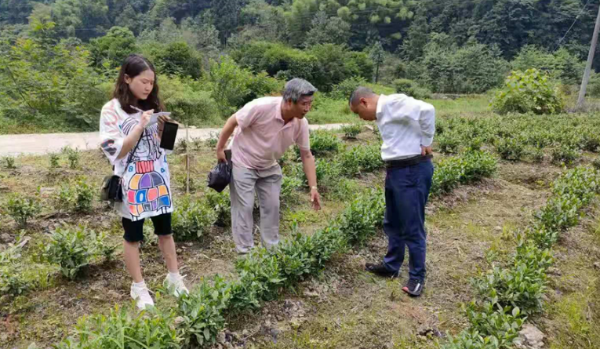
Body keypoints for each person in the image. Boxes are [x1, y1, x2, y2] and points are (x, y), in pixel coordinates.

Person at [99, 54, 188, 309]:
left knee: (166, 231)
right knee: (133, 236)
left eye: (152, 82)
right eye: (143, 81)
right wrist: (139, 126)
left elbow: (165, 149)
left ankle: (174, 278)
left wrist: (165, 130)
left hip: (158, 180)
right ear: (127, 79)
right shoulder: (112, 110)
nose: (148, 87)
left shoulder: (153, 105)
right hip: (131, 183)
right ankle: (138, 286)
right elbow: (115, 150)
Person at [215, 78, 322, 254]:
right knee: (244, 207)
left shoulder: (300, 123)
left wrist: (313, 187)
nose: (307, 108)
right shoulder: (260, 107)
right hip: (243, 161)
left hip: (269, 166)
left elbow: (306, 155)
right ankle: (245, 253)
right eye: (304, 104)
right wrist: (219, 148)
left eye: (310, 103)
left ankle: (271, 249)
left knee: (272, 206)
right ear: (289, 101)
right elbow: (232, 121)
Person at [349, 87, 435, 297]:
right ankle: (391, 266)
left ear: (364, 102)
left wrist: (426, 141)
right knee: (393, 222)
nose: (362, 119)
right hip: (396, 170)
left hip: (411, 170)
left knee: (412, 226)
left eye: (358, 113)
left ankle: (417, 277)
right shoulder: (383, 113)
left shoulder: (393, 103)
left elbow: (428, 110)